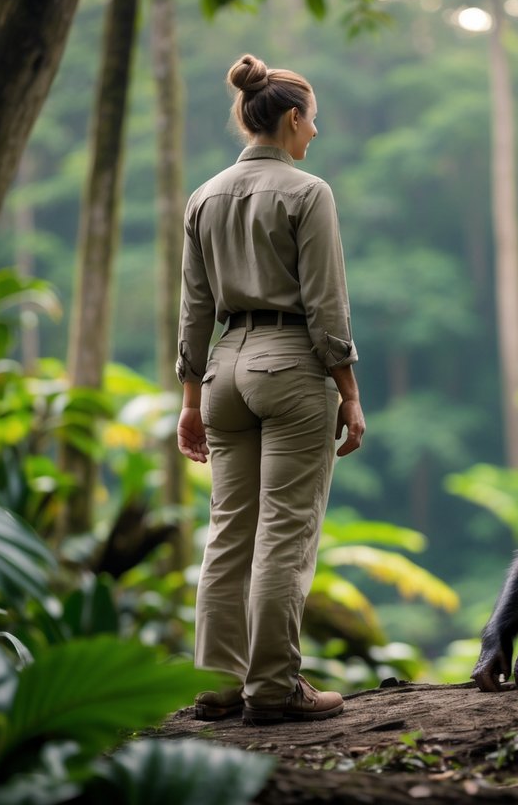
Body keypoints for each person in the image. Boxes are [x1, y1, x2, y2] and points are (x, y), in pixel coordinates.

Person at [175, 53, 365, 726]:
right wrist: (348, 388)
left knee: (228, 533)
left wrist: (191, 398)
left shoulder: (202, 196)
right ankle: (275, 688)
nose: (314, 133)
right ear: (290, 117)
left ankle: (219, 685)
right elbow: (325, 304)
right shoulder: (308, 192)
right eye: (311, 121)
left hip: (224, 370)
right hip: (289, 367)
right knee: (285, 534)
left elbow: (195, 307)